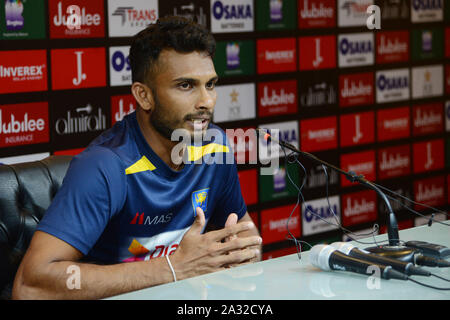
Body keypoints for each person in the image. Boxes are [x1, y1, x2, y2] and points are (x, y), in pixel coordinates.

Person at [12, 16, 262, 300]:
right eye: (186, 86)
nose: (206, 101)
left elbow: (245, 239)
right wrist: (172, 268)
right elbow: (30, 286)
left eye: (211, 84)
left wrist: (241, 256)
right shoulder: (105, 165)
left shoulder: (214, 146)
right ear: (144, 96)